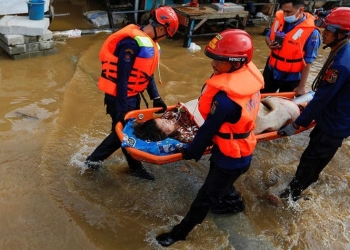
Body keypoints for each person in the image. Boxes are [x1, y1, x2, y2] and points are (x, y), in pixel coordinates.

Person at [155, 29, 264, 247]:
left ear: (235, 63)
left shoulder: (225, 100)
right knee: (221, 181)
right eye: (213, 59)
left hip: (232, 157)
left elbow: (207, 131)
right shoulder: (245, 77)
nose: (213, 64)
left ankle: (179, 234)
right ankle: (233, 203)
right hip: (235, 150)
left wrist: (189, 152)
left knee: (204, 198)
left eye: (219, 61)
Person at [85, 6, 179, 180]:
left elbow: (146, 74)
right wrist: (121, 106)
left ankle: (130, 166)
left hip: (131, 96)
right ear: (160, 29)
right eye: (166, 35)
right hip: (119, 96)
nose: (165, 38)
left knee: (124, 131)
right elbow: (123, 76)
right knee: (123, 133)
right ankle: (93, 162)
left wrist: (156, 97)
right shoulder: (131, 43)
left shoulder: (148, 43)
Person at [275, 7, 350, 202]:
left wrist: (297, 124)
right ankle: (305, 182)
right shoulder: (344, 50)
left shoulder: (341, 63)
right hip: (336, 115)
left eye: (328, 30)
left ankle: (291, 198)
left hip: (335, 123)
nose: (323, 33)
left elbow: (322, 98)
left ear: (341, 34)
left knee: (311, 160)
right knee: (315, 157)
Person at [261, 0, 321, 96]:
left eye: (288, 12)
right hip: (271, 71)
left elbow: (308, 61)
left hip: (291, 77)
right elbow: (268, 36)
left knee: (284, 105)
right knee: (261, 98)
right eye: (283, 11)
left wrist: (301, 86)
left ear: (301, 10)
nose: (285, 15)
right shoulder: (279, 19)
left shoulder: (312, 32)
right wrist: (269, 43)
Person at [133, 103, 199, 143]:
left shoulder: (167, 116)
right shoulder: (183, 135)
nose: (166, 120)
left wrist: (180, 108)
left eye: (162, 120)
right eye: (164, 124)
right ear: (164, 134)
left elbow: (178, 107)